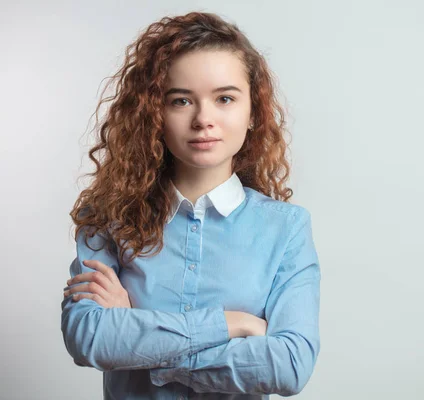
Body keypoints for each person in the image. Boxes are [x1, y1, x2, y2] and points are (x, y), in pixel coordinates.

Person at [60, 11, 321, 400]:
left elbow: (289, 366)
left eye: (225, 99)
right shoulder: (107, 218)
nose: (203, 119)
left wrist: (135, 331)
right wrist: (231, 325)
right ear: (155, 114)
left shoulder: (286, 229)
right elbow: (90, 339)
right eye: (181, 100)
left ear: (253, 113)